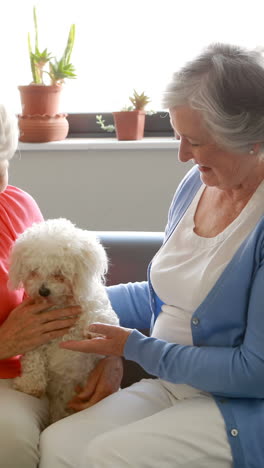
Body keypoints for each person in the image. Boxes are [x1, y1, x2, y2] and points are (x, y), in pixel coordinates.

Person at [39, 42, 264, 468]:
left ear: (247, 138)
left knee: (107, 456)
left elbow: (254, 371)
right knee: (60, 443)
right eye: (179, 136)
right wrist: (85, 307)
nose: (181, 155)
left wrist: (132, 347)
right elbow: (166, 295)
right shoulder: (195, 184)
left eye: (195, 141)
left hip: (235, 403)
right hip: (172, 382)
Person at [0, 105, 123, 468]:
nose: (2, 176)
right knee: (9, 437)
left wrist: (112, 352)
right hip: (13, 381)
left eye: (3, 158)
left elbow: (78, 292)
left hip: (34, 374)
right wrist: (3, 343)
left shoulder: (17, 204)